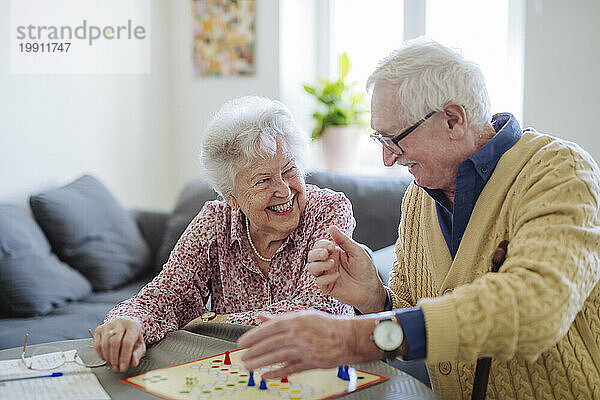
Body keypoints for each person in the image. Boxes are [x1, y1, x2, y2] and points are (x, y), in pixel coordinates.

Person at [238, 40, 600, 399]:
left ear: (453, 119)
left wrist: (350, 337)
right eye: (379, 138)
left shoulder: (560, 171)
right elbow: (417, 326)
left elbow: (537, 307)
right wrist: (375, 299)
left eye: (394, 139)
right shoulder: (417, 197)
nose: (386, 158)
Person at [93, 96, 355, 373]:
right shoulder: (215, 221)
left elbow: (316, 311)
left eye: (289, 170)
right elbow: (169, 293)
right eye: (263, 180)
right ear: (233, 198)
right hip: (239, 374)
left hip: (324, 369)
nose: (285, 190)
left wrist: (212, 321)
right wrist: (128, 322)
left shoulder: (329, 210)